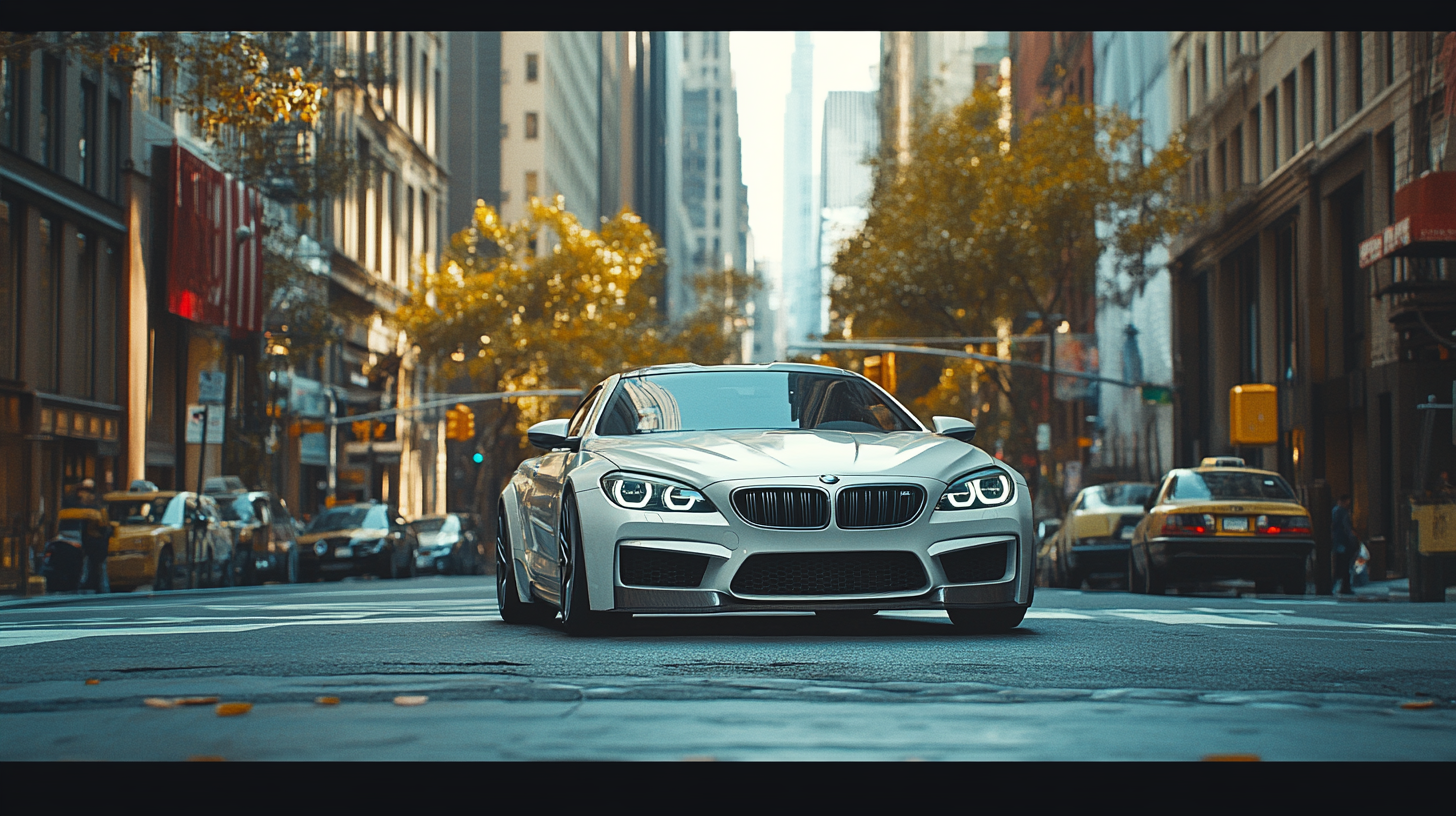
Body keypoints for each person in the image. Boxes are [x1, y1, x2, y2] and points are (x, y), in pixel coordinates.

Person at [73, 479, 111, 593]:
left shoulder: (92, 507)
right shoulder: (97, 506)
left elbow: (102, 526)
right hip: (95, 540)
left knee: (95, 564)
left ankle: (96, 584)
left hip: (94, 540)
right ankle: (95, 584)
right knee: (94, 564)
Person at [1331, 494, 1357, 596]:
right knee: (1343, 565)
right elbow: (1346, 527)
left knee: (1340, 565)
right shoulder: (1341, 512)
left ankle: (1340, 586)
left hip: (1339, 541)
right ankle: (1344, 587)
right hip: (1342, 542)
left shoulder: (1336, 511)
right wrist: (1352, 537)